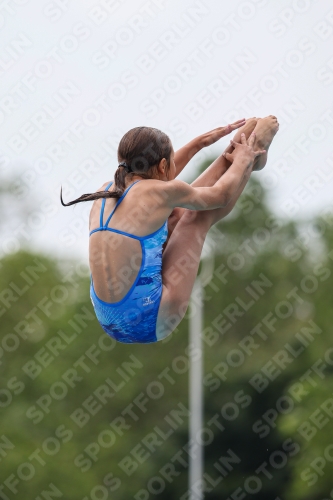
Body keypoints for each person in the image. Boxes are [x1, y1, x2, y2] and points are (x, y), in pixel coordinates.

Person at [60, 116, 279, 343]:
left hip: (108, 319)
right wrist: (242, 161)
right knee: (195, 217)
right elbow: (221, 196)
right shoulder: (157, 193)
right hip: (148, 320)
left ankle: (238, 153)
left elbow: (161, 181)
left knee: (174, 215)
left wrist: (199, 144)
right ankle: (251, 155)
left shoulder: (105, 191)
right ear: (163, 166)